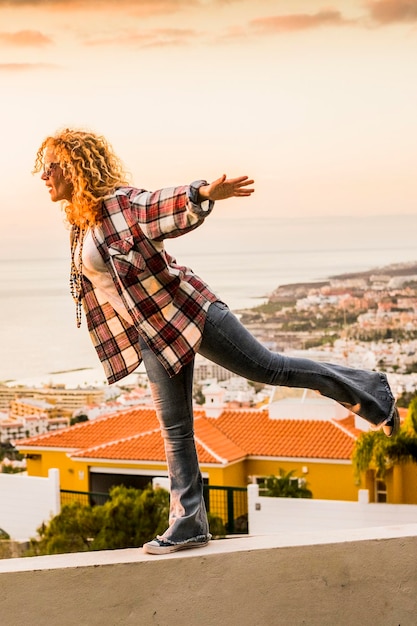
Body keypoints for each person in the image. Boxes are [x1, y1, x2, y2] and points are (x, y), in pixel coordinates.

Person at [34, 128, 399, 555]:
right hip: (154, 335)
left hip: (192, 314)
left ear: (76, 167)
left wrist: (204, 192)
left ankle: (372, 391)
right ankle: (189, 523)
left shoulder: (121, 205)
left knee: (271, 368)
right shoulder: (84, 223)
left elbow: (161, 206)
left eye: (50, 166)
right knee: (175, 430)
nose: (43, 175)